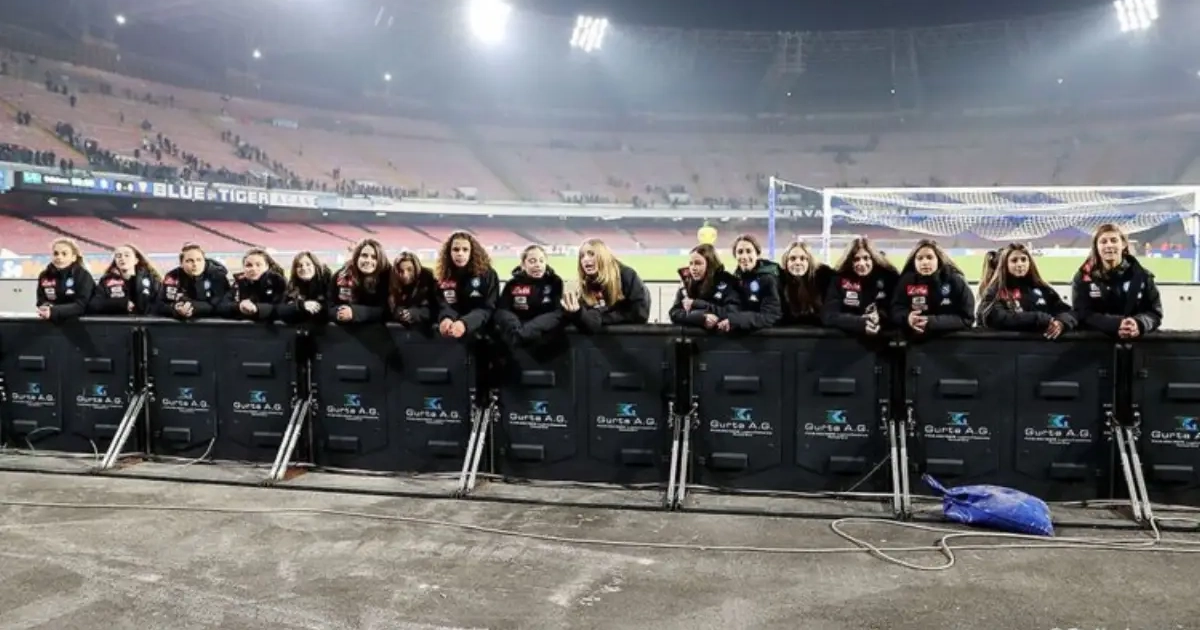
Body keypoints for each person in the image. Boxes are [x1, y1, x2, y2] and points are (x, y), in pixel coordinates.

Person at [1070, 223, 1163, 339]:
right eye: (1103, 242)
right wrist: (1116, 324)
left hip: (1136, 345)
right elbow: (1081, 313)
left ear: (1123, 244)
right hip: (1096, 345)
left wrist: (1139, 324)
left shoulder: (1143, 276)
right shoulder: (1083, 278)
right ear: (1096, 247)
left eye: (1114, 240)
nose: (1109, 245)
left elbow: (1155, 313)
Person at [978, 243, 1075, 338]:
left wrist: (1061, 322)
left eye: (1023, 259)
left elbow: (1069, 312)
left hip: (1042, 346)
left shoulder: (1043, 289)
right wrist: (1038, 319)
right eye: (1014, 260)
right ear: (1005, 264)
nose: (1020, 264)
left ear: (1030, 262)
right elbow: (997, 318)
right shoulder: (995, 291)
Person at [889, 239, 974, 336]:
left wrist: (931, 322)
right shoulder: (906, 281)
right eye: (919, 258)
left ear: (938, 259)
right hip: (915, 341)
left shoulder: (955, 280)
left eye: (930, 257)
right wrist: (908, 318)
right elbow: (895, 310)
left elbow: (967, 318)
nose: (925, 262)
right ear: (914, 262)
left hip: (950, 340)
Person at [562, 238, 651, 331]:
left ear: (603, 257)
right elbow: (588, 321)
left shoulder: (627, 276)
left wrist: (602, 317)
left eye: (591, 254)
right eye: (582, 256)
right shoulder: (582, 285)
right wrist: (576, 313)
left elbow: (640, 314)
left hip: (628, 335)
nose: (586, 259)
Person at [821, 236, 899, 336]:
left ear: (873, 259)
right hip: (847, 341)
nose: (861, 263)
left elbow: (898, 310)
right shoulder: (839, 280)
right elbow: (829, 316)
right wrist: (860, 323)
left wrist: (880, 318)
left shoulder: (888, 278)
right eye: (856, 259)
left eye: (866, 258)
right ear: (850, 261)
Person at [494, 245, 565, 346]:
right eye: (532, 261)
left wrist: (530, 329)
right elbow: (502, 310)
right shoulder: (512, 284)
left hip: (544, 338)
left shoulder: (554, 282)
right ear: (523, 265)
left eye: (541, 261)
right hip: (517, 333)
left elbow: (557, 312)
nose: (538, 265)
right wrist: (515, 327)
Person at [435, 231, 499, 340]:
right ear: (449, 252)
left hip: (482, 336)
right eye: (456, 249)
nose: (460, 253)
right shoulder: (443, 275)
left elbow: (488, 308)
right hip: (451, 335)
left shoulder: (488, 275)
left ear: (472, 252)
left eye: (465, 249)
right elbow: (443, 304)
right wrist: (446, 318)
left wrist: (465, 323)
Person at [718, 234, 782, 332]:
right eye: (740, 252)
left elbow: (770, 316)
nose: (744, 256)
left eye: (749, 251)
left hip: (765, 337)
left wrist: (735, 320)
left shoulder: (768, 279)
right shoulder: (736, 279)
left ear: (757, 254)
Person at [669, 243, 741, 330]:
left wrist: (697, 304)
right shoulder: (687, 282)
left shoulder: (727, 282)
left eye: (698, 263)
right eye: (691, 263)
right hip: (692, 337)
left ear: (710, 264)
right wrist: (700, 318)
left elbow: (733, 313)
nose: (693, 268)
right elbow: (674, 313)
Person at [156, 243, 231, 320]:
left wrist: (193, 307)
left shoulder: (217, 276)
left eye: (199, 260)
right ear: (181, 263)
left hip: (214, 322)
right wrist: (175, 309)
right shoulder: (173, 277)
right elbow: (160, 304)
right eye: (189, 261)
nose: (195, 264)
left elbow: (221, 305)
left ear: (204, 261)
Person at [328, 238, 389, 324]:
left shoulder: (387, 276)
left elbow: (386, 310)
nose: (368, 260)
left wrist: (355, 313)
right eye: (364, 255)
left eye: (374, 257)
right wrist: (339, 313)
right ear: (357, 257)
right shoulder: (341, 275)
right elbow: (330, 305)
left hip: (375, 330)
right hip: (346, 329)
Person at [89, 243, 161, 315]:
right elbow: (95, 304)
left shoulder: (151, 279)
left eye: (127, 255)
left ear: (136, 260)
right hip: (119, 321)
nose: (122, 258)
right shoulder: (106, 281)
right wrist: (122, 304)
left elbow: (160, 302)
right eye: (118, 256)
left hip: (147, 321)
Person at [35, 237, 94, 321]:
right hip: (51, 322)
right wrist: (46, 306)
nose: (59, 257)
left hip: (80, 323)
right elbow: (41, 300)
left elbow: (82, 305)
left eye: (64, 254)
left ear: (74, 257)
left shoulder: (83, 276)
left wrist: (54, 311)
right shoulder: (44, 276)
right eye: (56, 253)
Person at [220, 248, 287, 321]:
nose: (253, 269)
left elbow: (281, 308)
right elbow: (222, 306)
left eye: (258, 265)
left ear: (267, 266)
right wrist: (239, 306)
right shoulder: (239, 283)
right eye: (249, 265)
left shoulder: (277, 282)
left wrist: (257, 308)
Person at [778, 241, 834, 326]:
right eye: (792, 259)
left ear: (809, 261)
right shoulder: (779, 282)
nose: (797, 263)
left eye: (802, 258)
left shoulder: (823, 280)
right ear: (786, 262)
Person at [277, 251, 332, 325]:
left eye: (308, 264)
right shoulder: (292, 285)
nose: (304, 268)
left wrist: (315, 306)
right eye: (299, 265)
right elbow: (281, 310)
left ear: (315, 266)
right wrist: (302, 306)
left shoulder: (327, 283)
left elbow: (330, 309)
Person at [388, 251, 437, 330]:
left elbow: (434, 308)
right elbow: (390, 309)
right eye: (401, 271)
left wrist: (414, 313)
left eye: (409, 270)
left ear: (416, 269)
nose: (405, 275)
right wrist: (400, 313)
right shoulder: (392, 282)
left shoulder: (428, 279)